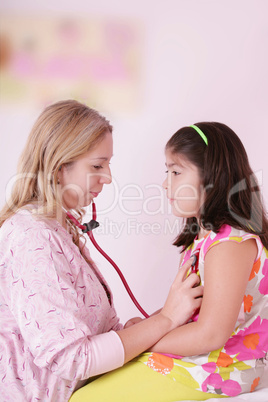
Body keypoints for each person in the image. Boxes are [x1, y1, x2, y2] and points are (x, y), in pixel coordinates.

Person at [0, 100, 203, 402]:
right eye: (97, 165)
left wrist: (135, 331)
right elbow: (72, 360)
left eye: (108, 164)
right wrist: (164, 320)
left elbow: (84, 337)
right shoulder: (32, 236)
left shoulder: (57, 229)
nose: (108, 177)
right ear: (58, 168)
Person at [70, 122, 268, 401]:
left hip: (224, 369)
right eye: (167, 172)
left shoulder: (230, 246)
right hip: (199, 361)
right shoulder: (205, 239)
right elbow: (191, 310)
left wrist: (144, 341)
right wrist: (149, 325)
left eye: (175, 172)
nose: (165, 183)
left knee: (85, 399)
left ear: (213, 177)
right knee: (86, 381)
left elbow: (210, 334)